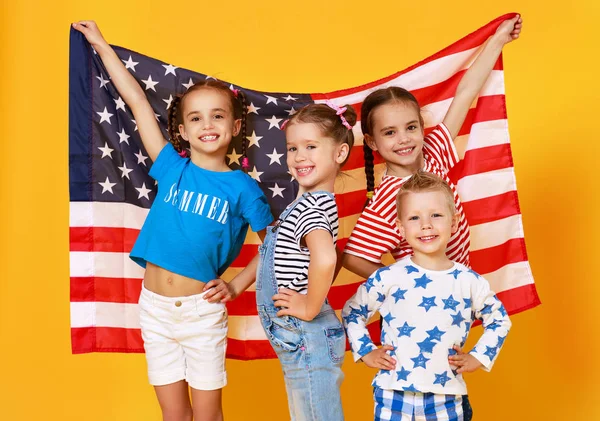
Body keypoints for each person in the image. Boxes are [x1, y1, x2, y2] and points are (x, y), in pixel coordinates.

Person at [72, 21, 273, 421]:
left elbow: (274, 244)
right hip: (154, 310)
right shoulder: (171, 166)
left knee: (206, 414)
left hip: (201, 312)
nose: (207, 125)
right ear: (182, 130)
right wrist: (99, 44)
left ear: (234, 128)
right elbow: (137, 104)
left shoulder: (243, 189)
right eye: (196, 119)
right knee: (173, 415)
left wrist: (235, 286)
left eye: (217, 117)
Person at [342, 15, 523, 279]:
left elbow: (465, 93)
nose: (404, 139)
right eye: (390, 132)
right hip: (424, 310)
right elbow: (354, 258)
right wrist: (408, 287)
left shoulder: (433, 152)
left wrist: (498, 41)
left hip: (458, 289)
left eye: (411, 127)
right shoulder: (386, 200)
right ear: (372, 142)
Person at [343, 171, 511, 420]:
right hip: (392, 392)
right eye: (414, 217)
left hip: (446, 396)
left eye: (436, 215)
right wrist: (365, 350)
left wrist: (479, 356)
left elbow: (499, 320)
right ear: (400, 227)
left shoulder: (470, 281)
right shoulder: (387, 277)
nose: (426, 225)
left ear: (453, 223)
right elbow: (353, 311)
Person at [255, 101, 355, 420]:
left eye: (311, 146)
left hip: (305, 333)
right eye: (292, 148)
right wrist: (233, 286)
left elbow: (326, 258)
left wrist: (309, 307)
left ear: (339, 153)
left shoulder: (308, 209)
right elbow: (270, 254)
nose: (299, 157)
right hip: (302, 337)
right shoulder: (307, 203)